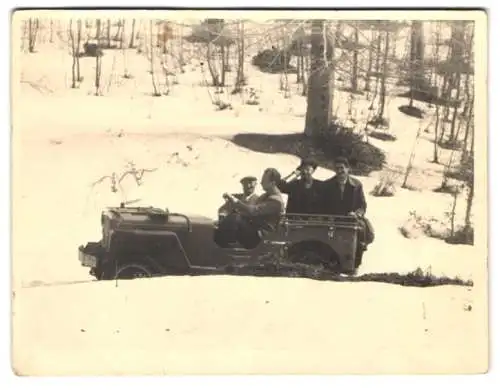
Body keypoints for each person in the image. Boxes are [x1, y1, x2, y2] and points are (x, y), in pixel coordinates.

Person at [321, 157, 374, 269]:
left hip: (352, 219)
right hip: (333, 219)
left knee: (362, 232)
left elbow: (362, 205)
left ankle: (355, 263)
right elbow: (322, 205)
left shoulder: (356, 185)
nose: (339, 171)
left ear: (348, 169)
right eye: (337, 168)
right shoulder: (327, 185)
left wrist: (357, 214)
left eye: (342, 168)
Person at [214, 168, 285, 249]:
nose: (261, 183)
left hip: (260, 238)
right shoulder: (265, 196)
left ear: (273, 183)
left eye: (264, 180)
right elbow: (249, 212)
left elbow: (252, 211)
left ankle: (221, 245)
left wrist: (235, 201)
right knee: (234, 217)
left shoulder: (276, 201)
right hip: (254, 232)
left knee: (235, 218)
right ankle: (220, 243)